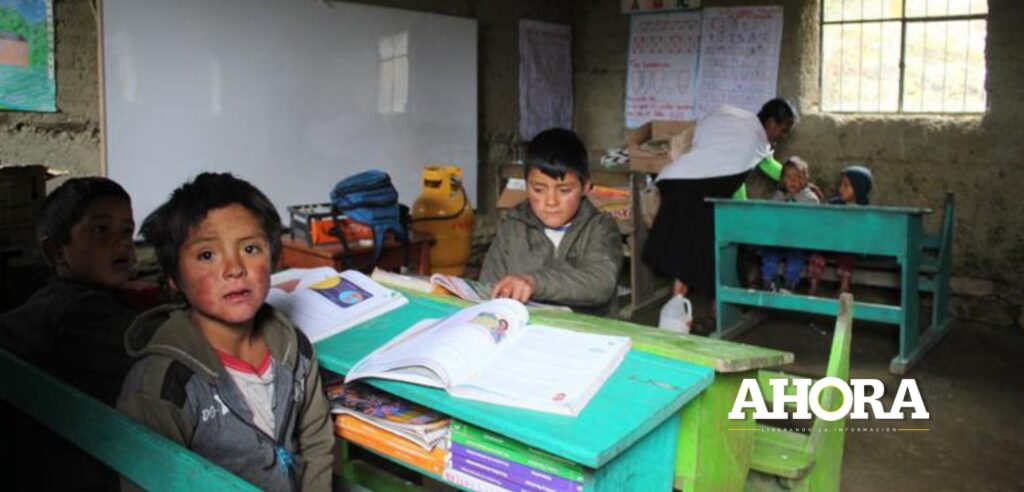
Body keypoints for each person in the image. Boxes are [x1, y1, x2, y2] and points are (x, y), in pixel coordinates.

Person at [117, 173, 334, 491]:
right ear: (174, 277)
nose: (234, 268)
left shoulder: (293, 348)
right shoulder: (163, 383)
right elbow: (147, 482)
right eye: (207, 255)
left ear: (273, 258)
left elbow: (315, 440)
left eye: (250, 248)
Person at [0, 177, 139, 491]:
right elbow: (162, 354)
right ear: (55, 250)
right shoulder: (81, 313)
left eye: (127, 230)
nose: (123, 243)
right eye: (101, 229)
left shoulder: (55, 301)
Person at [643, 99, 799, 319]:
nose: (782, 137)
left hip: (675, 180)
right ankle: (712, 312)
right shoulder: (755, 140)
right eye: (783, 131)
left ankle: (685, 309)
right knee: (702, 254)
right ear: (772, 124)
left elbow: (726, 165)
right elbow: (770, 171)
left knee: (688, 253)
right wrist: (802, 182)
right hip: (694, 192)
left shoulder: (734, 120)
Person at [480, 128, 623, 314]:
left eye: (564, 190)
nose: (551, 202)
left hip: (584, 335)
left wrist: (534, 282)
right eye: (539, 190)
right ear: (526, 186)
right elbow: (489, 285)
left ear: (586, 187)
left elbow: (600, 283)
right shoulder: (513, 228)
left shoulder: (600, 227)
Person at [807, 165, 874, 295]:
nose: (841, 189)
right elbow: (825, 220)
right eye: (841, 184)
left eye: (846, 185)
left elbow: (863, 234)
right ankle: (813, 285)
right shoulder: (835, 204)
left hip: (848, 245)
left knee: (847, 253)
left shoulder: (864, 211)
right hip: (831, 242)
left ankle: (844, 285)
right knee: (817, 253)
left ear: (859, 188)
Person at [760, 157, 821, 293]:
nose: (793, 181)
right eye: (788, 177)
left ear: (805, 180)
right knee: (770, 252)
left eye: (798, 177)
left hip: (799, 241)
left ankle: (789, 284)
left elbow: (814, 222)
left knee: (796, 256)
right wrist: (782, 196)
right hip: (780, 239)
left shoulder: (809, 198)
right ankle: (767, 281)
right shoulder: (780, 196)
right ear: (783, 180)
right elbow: (771, 214)